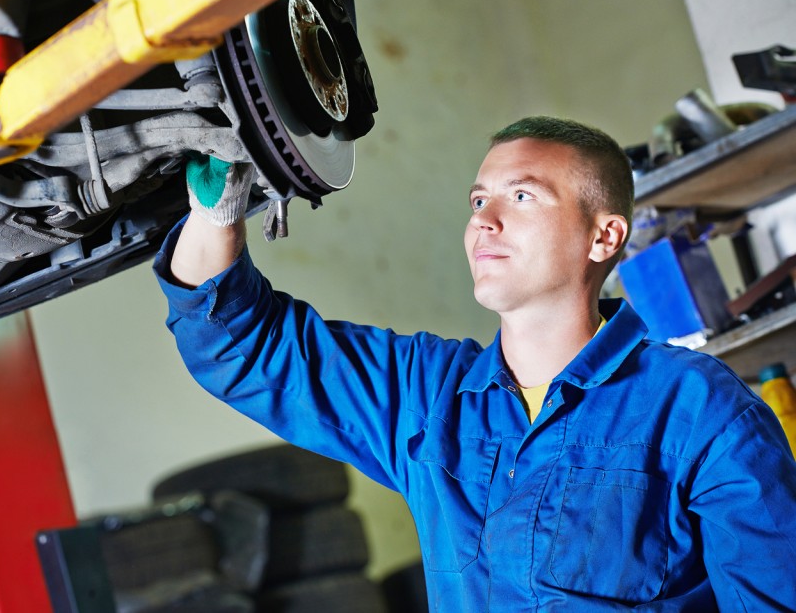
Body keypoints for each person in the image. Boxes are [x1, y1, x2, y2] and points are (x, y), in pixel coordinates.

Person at [153, 116, 796, 611]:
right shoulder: (430, 398)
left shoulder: (696, 410)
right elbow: (244, 347)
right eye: (476, 199)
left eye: (521, 197)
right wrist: (215, 214)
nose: (483, 220)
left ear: (604, 236)